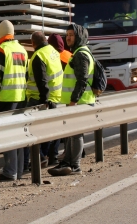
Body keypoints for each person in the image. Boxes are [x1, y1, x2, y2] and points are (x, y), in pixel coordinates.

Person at [49, 24, 96, 177]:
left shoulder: (81, 54)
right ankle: (67, 162)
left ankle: (74, 165)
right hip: (77, 101)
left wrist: (73, 101)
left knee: (75, 134)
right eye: (67, 34)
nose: (68, 37)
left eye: (71, 35)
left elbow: (82, 80)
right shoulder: (78, 52)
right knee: (71, 133)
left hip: (79, 102)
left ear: (79, 37)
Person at [0, 20, 28, 181]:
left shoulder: (1, 50)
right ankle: (19, 170)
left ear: (0, 34)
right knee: (19, 135)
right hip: (21, 97)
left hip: (6, 99)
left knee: (8, 136)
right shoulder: (22, 50)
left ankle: (10, 171)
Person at [25, 32, 63, 166]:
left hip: (40, 99)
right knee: (49, 130)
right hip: (56, 96)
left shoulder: (38, 56)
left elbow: (42, 81)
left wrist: (44, 100)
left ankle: (40, 157)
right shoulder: (53, 51)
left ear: (33, 43)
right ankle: (46, 156)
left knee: (31, 131)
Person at [45, 33, 71, 163]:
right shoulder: (69, 55)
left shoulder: (53, 56)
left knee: (53, 130)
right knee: (64, 128)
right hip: (68, 96)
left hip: (56, 96)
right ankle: (59, 155)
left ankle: (50, 156)